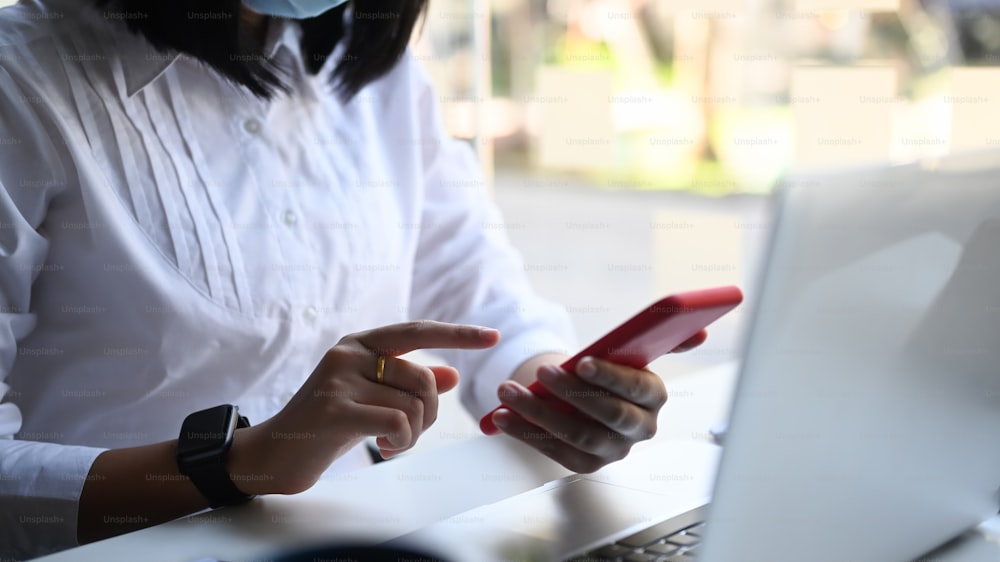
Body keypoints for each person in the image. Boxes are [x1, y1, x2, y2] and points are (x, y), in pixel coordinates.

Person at [0, 0, 705, 558]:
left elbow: (484, 296)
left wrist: (558, 389)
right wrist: (236, 464)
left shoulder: (376, 80)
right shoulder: (22, 82)